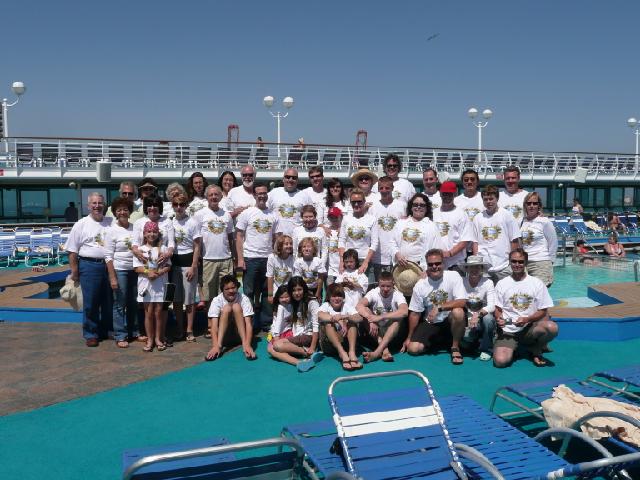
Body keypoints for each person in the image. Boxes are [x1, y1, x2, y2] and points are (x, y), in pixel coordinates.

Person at [493, 248, 558, 368]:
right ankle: (515, 347)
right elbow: (498, 309)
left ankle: (536, 348)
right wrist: (499, 318)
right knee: (500, 362)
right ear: (509, 262)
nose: (517, 264)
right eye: (514, 261)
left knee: (552, 327)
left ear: (526, 263)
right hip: (508, 330)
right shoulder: (502, 283)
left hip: (529, 328)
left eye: (521, 262)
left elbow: (543, 311)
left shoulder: (537, 283)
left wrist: (527, 319)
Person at [403, 249, 468, 364]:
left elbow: (462, 301)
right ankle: (440, 340)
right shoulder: (420, 285)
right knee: (413, 349)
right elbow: (415, 313)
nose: (434, 267)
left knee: (458, 312)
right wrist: (409, 337)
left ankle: (455, 347)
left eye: (438, 263)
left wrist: (439, 307)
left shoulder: (454, 276)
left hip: (450, 321)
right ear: (427, 266)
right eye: (431, 264)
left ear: (443, 264)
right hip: (431, 322)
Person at [66, 192, 114, 346]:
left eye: (100, 203)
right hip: (89, 266)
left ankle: (106, 329)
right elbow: (72, 250)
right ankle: (91, 333)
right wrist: (74, 271)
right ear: (88, 206)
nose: (97, 206)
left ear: (104, 205)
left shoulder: (111, 222)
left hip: (109, 266)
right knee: (91, 302)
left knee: (108, 301)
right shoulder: (81, 224)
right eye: (94, 203)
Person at [236, 182, 278, 331]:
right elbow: (239, 236)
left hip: (268, 259)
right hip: (250, 258)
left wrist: (275, 258)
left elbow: (276, 238)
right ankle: (250, 323)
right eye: (259, 193)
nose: (262, 196)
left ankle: (266, 322)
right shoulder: (247, 213)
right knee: (249, 292)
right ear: (254, 195)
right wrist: (240, 259)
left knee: (267, 291)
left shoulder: (273, 215)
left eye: (264, 193)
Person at [196, 185, 235, 336]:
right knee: (209, 296)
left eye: (216, 194)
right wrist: (197, 258)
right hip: (208, 260)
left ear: (220, 197)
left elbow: (231, 237)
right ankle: (210, 326)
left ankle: (223, 326)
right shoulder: (200, 214)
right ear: (207, 197)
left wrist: (234, 257)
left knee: (225, 294)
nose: (213, 197)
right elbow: (197, 240)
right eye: (211, 195)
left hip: (225, 259)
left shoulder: (226, 215)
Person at [133, 221, 172, 352]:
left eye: (154, 231)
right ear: (144, 234)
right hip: (146, 284)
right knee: (148, 313)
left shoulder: (164, 249)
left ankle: (158, 338)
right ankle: (150, 339)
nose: (152, 234)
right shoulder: (140, 250)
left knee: (159, 312)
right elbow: (136, 268)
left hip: (160, 284)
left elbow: (168, 266)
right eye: (149, 231)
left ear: (158, 233)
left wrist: (159, 272)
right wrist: (147, 272)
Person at [105, 196, 138, 348]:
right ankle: (120, 334)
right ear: (115, 213)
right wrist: (112, 277)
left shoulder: (135, 228)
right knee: (120, 303)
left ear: (130, 212)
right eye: (119, 210)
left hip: (135, 270)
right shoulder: (111, 231)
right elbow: (108, 256)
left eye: (125, 209)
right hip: (120, 270)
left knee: (134, 303)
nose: (122, 212)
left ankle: (134, 331)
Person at [267, 283, 323, 372]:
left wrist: (276, 337)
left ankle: (305, 354)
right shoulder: (282, 306)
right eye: (281, 297)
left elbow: (279, 324)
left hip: (289, 334)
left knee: (275, 347)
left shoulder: (293, 305)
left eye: (287, 297)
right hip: (283, 334)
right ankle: (300, 362)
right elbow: (277, 324)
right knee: (271, 350)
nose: (284, 299)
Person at [170, 191, 202, 342]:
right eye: (176, 204)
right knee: (176, 300)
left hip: (188, 264)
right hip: (173, 265)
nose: (179, 207)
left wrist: (194, 266)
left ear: (186, 206)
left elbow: (197, 246)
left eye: (181, 204)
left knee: (189, 300)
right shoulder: (170, 222)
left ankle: (189, 329)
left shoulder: (193, 222)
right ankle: (179, 328)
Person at [472, 185, 521, 283]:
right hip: (484, 266)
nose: (488, 202)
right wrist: (477, 263)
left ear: (497, 198)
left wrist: (511, 262)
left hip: (504, 266)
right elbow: (475, 242)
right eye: (485, 199)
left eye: (491, 199)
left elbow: (514, 240)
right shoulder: (477, 218)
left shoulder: (507, 215)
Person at [356, 271, 408, 363]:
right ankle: (385, 349)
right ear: (378, 284)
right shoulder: (373, 292)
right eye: (382, 286)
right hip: (377, 333)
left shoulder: (398, 294)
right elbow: (359, 305)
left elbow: (404, 312)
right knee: (366, 311)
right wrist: (370, 319)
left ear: (393, 285)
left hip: (393, 333)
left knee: (398, 319)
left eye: (388, 286)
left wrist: (381, 317)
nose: (385, 289)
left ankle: (376, 353)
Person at [204, 274, 255, 361]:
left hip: (239, 336)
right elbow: (214, 326)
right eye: (227, 289)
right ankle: (219, 346)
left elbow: (249, 324)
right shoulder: (216, 300)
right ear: (222, 290)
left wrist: (248, 344)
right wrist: (215, 346)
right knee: (227, 308)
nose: (231, 291)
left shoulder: (244, 299)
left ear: (237, 287)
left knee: (236, 307)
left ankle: (244, 344)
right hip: (224, 338)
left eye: (233, 288)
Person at [390, 193, 443, 269]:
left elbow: (436, 250)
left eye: (422, 205)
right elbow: (392, 242)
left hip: (421, 268)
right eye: (415, 205)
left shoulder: (432, 226)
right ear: (411, 207)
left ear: (427, 208)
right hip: (401, 266)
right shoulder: (401, 223)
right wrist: (397, 254)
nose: (418, 207)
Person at [318, 283, 363, 371]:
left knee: (352, 322)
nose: (337, 298)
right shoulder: (326, 305)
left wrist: (344, 317)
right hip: (329, 345)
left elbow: (359, 318)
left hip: (346, 343)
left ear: (343, 297)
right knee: (328, 323)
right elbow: (320, 315)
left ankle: (352, 352)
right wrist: (337, 320)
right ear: (329, 297)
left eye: (339, 296)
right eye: (334, 296)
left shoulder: (346, 305)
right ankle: (342, 353)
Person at [369, 176, 407, 282]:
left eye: (387, 188)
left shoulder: (402, 205)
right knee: (378, 286)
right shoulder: (373, 207)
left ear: (392, 188)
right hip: (378, 257)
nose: (384, 190)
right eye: (381, 188)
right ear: (378, 189)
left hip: (397, 256)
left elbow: (404, 229)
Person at [460, 256, 496, 361]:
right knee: (466, 340)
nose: (474, 269)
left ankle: (486, 348)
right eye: (471, 267)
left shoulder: (488, 282)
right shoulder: (461, 281)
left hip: (481, 318)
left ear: (482, 269)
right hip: (466, 319)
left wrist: (477, 315)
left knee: (488, 319)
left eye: (477, 267)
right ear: (466, 269)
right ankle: (476, 341)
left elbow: (492, 306)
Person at [338, 188, 378, 280]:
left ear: (364, 201)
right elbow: (341, 241)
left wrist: (366, 262)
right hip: (349, 262)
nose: (356, 204)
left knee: (367, 288)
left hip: (365, 260)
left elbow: (374, 243)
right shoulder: (346, 219)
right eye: (353, 202)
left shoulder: (372, 219)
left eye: (359, 201)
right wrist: (342, 261)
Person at [433, 181, 474, 271]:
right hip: (436, 263)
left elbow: (465, 240)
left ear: (454, 194)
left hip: (456, 263)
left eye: (449, 194)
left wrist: (450, 253)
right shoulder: (434, 213)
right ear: (440, 194)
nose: (447, 197)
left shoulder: (461, 214)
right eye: (444, 194)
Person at [520, 192, 558, 287]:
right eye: (529, 203)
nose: (531, 206)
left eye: (535, 203)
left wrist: (550, 262)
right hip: (525, 264)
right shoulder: (521, 221)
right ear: (525, 205)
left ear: (539, 206)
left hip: (541, 263)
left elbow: (553, 243)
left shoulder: (545, 222)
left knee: (539, 292)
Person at [267, 168, 312, 236]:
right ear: (283, 179)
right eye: (288, 177)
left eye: (294, 178)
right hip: (277, 237)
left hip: (297, 237)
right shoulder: (273, 193)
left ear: (297, 180)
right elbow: (264, 212)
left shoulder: (305, 196)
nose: (290, 180)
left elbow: (311, 217)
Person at [266, 235, 295, 303]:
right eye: (286, 244)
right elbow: (270, 277)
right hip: (276, 289)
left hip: (288, 290)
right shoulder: (272, 257)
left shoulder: (293, 258)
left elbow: (294, 278)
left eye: (291, 244)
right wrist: (270, 295)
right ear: (280, 246)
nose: (289, 246)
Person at [325, 207, 343, 284]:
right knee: (330, 287)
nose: (333, 219)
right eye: (331, 217)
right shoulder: (326, 231)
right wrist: (324, 228)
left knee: (340, 288)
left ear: (341, 217)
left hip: (341, 268)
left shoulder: (344, 230)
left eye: (336, 217)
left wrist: (342, 229)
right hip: (330, 269)